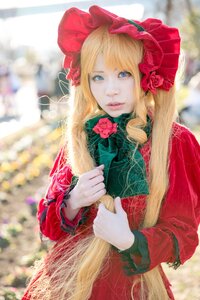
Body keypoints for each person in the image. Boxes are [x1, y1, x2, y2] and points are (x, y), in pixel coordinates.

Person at [22, 5, 200, 300]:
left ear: (145, 74)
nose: (111, 90)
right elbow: (49, 225)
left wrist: (129, 240)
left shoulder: (174, 142)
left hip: (131, 287)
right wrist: (73, 201)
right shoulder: (81, 136)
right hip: (66, 282)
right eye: (98, 77)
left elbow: (184, 230)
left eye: (123, 74)